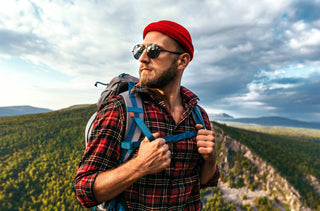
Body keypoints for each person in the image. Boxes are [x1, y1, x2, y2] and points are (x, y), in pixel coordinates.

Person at [74, 20, 219, 210]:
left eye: (153, 50)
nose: (142, 58)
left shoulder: (198, 115)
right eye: (139, 50)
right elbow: (84, 191)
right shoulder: (119, 109)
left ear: (182, 61)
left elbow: (204, 182)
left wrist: (211, 159)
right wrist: (140, 166)